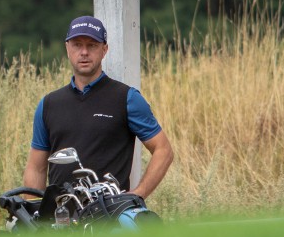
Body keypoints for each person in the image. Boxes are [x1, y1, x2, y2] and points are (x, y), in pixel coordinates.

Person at [23, 15, 174, 200]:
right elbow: (36, 169)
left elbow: (163, 150)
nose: (84, 52)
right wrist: (34, 213)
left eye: (92, 45)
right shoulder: (48, 104)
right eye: (77, 45)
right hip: (61, 214)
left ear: (104, 50)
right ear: (67, 48)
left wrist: (137, 195)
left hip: (110, 213)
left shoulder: (127, 98)